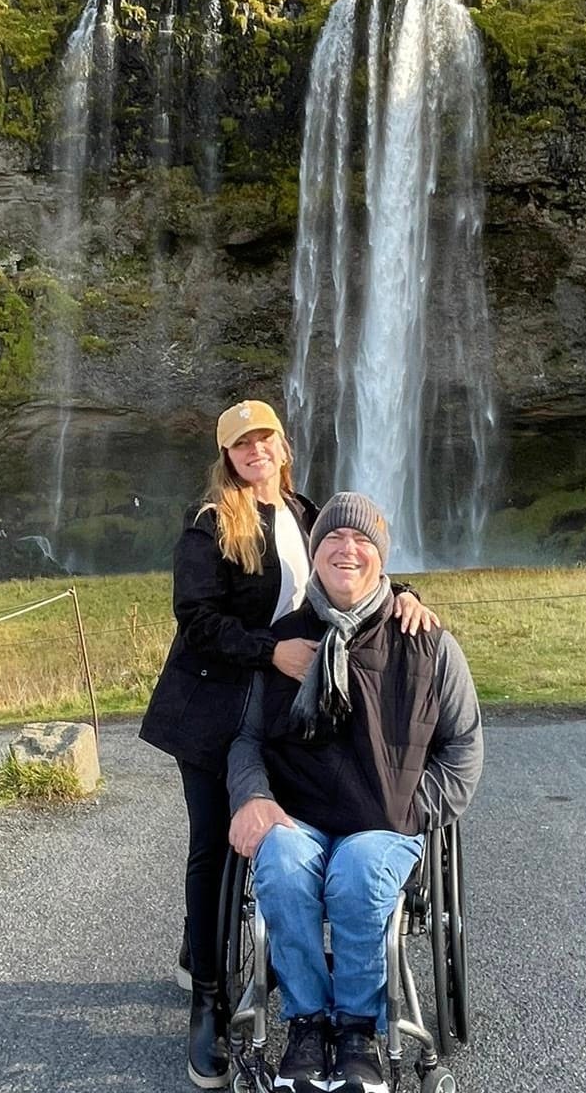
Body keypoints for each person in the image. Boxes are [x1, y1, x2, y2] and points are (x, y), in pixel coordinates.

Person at [140, 401, 439, 1090]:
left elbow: (354, 567)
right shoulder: (212, 521)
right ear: (226, 454)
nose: (256, 450)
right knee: (216, 842)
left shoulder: (307, 513)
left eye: (264, 437)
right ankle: (209, 999)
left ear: (283, 443)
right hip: (218, 703)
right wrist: (271, 653)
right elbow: (196, 621)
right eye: (241, 443)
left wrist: (409, 596)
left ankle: (232, 947)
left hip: (294, 702)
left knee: (286, 828)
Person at [227, 493, 483, 1093]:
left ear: (381, 555)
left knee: (360, 870)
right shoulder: (286, 644)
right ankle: (308, 1023)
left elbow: (464, 751)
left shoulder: (427, 642)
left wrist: (410, 808)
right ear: (315, 555)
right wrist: (252, 796)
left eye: (362, 540)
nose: (347, 550)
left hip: (385, 825)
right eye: (332, 539)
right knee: (283, 865)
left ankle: (357, 1030)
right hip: (300, 816)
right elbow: (245, 740)